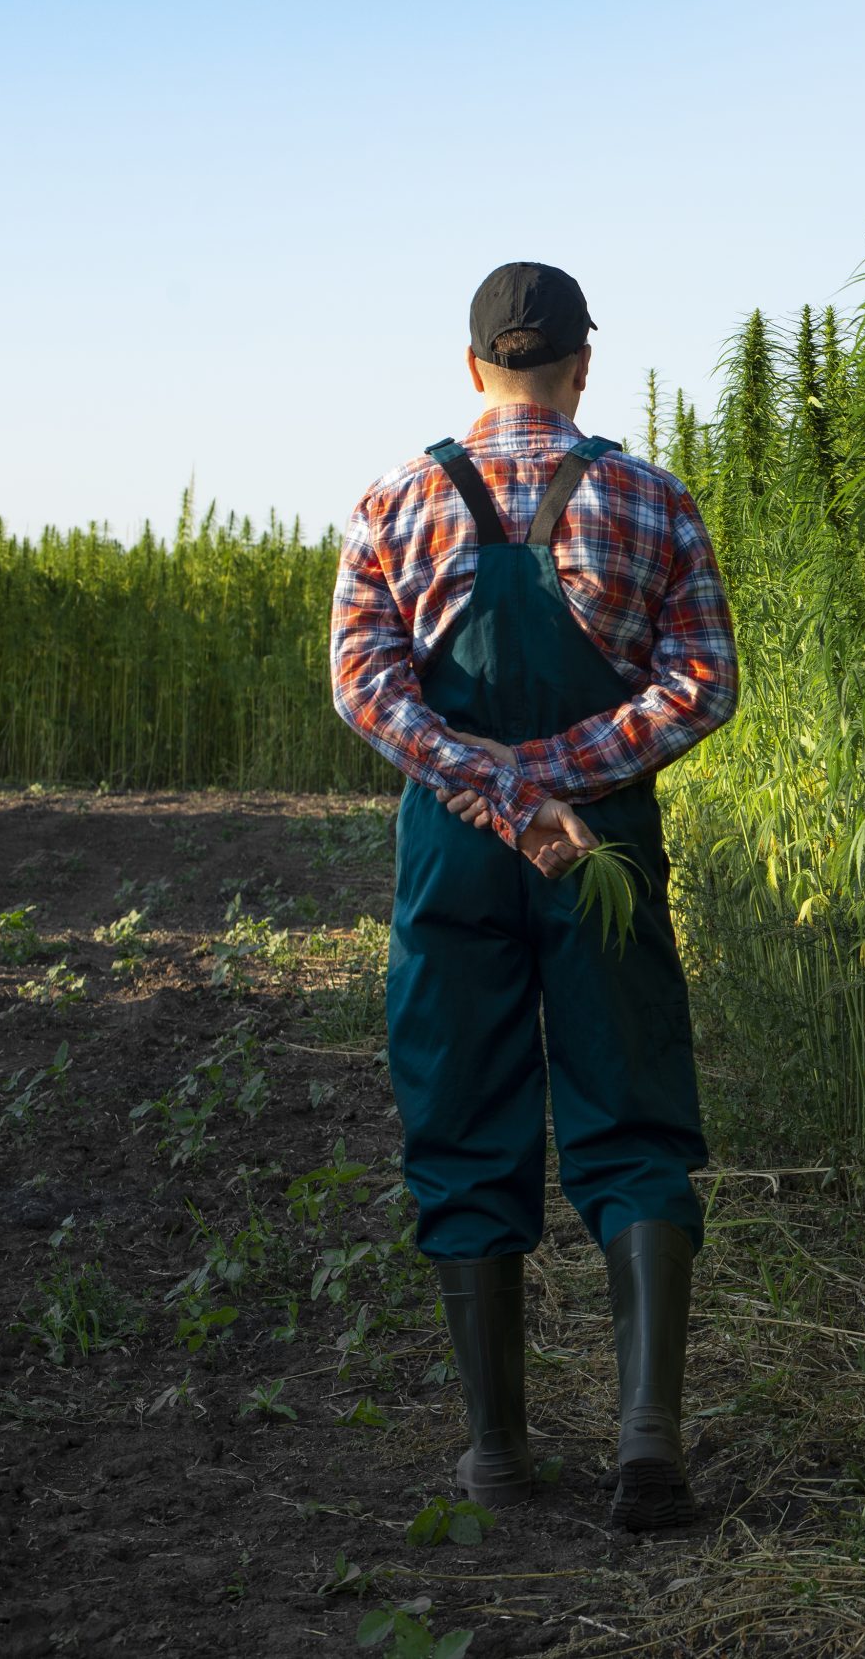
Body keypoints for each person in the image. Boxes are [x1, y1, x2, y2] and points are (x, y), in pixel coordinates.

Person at [329, 261, 738, 1530]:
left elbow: (365, 686)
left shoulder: (394, 500)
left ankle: (498, 1458)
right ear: (580, 368)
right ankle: (646, 1443)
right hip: (601, 848)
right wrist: (560, 784)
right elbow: (702, 683)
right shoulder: (651, 497)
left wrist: (494, 788)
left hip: (454, 851)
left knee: (462, 1117)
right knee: (633, 1111)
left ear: (473, 369)